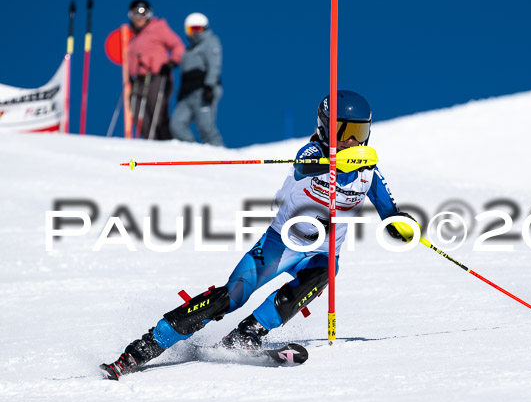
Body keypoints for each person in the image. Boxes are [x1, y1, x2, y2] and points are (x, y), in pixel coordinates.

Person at [100, 90, 416, 380]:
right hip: (280, 245)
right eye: (343, 132)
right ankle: (149, 344)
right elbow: (303, 167)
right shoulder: (313, 152)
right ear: (325, 129)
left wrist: (398, 225)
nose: (351, 141)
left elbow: (390, 212)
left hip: (320, 252)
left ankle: (247, 334)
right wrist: (334, 159)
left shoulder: (368, 171)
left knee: (327, 270)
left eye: (358, 133)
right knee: (233, 296)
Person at [127, 0, 185, 140]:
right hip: (138, 81)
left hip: (157, 77)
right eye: (136, 13)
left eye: (143, 13)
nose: (139, 18)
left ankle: (167, 144)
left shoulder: (158, 28)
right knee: (139, 115)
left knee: (157, 113)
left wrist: (172, 62)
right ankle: (151, 145)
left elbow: (178, 45)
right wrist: (130, 74)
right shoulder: (132, 37)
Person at [170, 13, 224, 146]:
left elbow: (214, 64)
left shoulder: (210, 42)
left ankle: (222, 157)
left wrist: (209, 86)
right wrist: (181, 93)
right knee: (176, 125)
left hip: (203, 91)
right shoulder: (189, 50)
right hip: (188, 94)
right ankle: (194, 153)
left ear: (203, 28)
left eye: (196, 29)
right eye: (189, 30)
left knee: (206, 128)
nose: (193, 33)